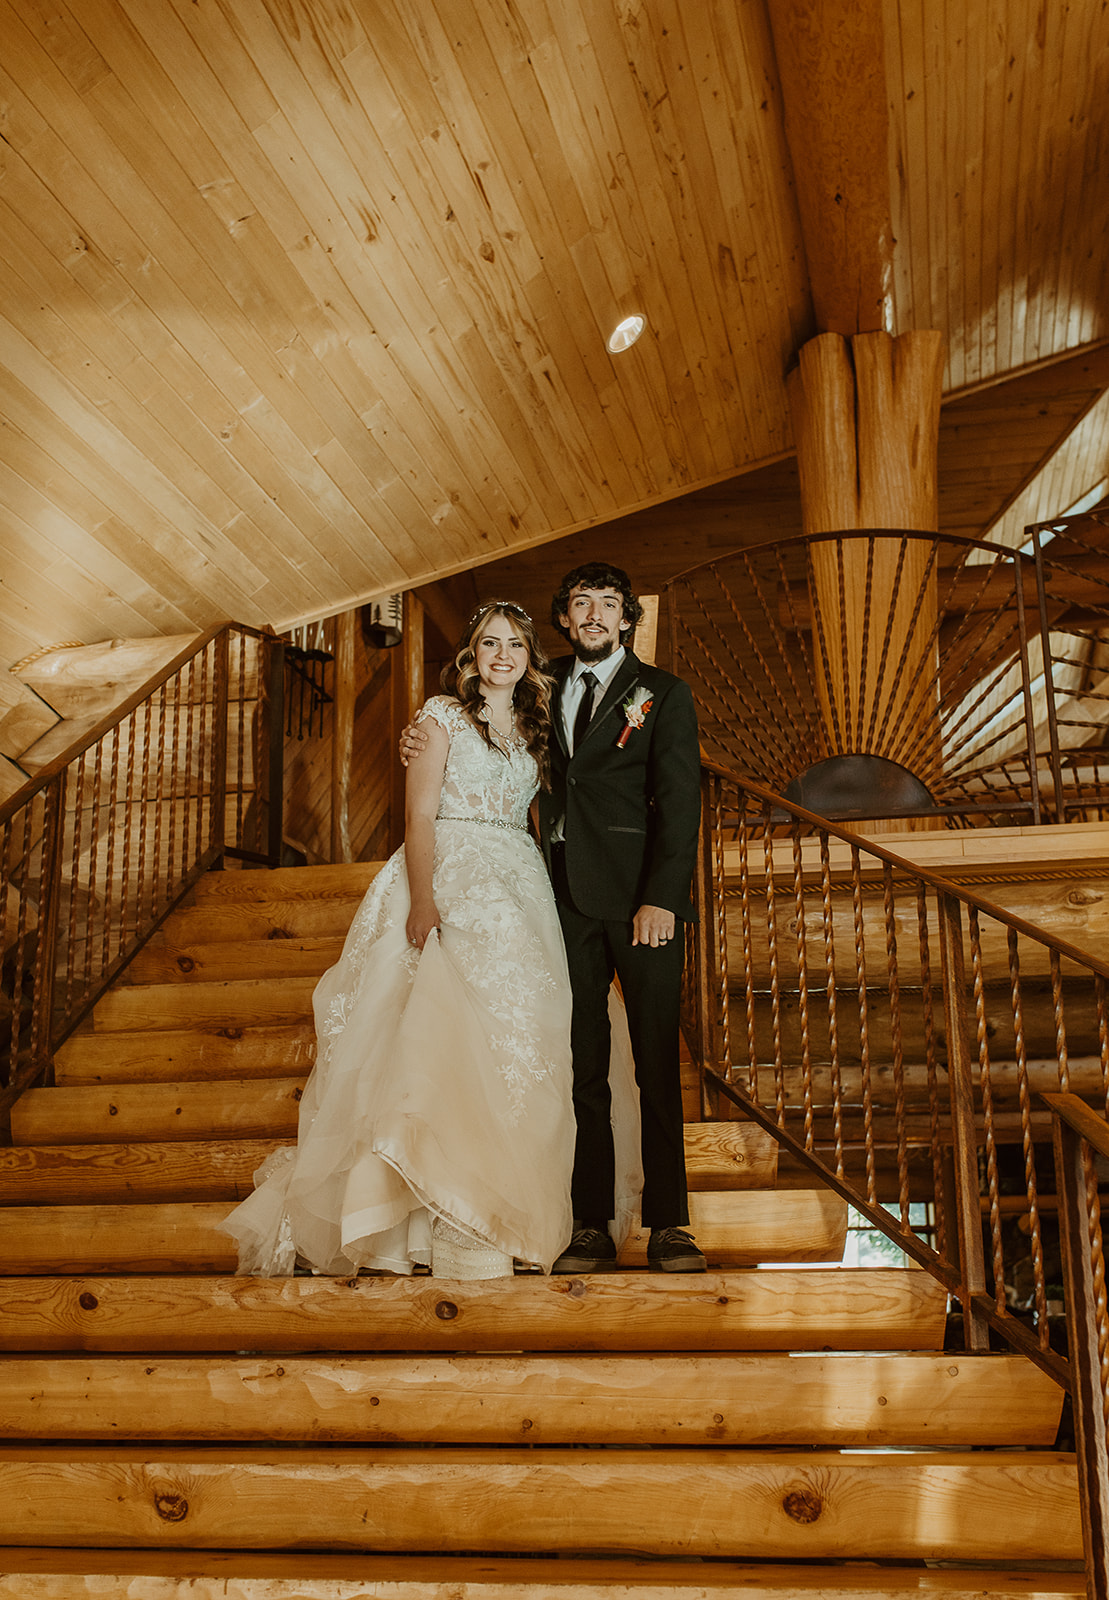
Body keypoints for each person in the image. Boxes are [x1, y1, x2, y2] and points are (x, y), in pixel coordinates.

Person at [221, 602, 596, 1280]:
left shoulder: (536, 725)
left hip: (519, 889)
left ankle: (497, 1213)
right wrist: (423, 899)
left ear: (529, 657)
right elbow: (419, 815)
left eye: (515, 644)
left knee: (517, 1048)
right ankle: (424, 1221)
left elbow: (543, 816)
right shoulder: (439, 718)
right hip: (450, 871)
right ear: (471, 654)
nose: (502, 655)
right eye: (490, 643)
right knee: (437, 1041)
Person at [401, 563, 705, 1274]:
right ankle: (589, 1222)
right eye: (580, 603)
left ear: (627, 618)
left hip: (640, 902)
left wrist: (663, 896)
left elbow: (681, 799)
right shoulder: (538, 684)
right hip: (559, 897)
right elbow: (473, 725)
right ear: (564, 619)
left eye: (608, 604)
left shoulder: (662, 693)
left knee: (655, 1061)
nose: (594, 614)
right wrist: (421, 739)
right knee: (581, 1062)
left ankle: (670, 1224)